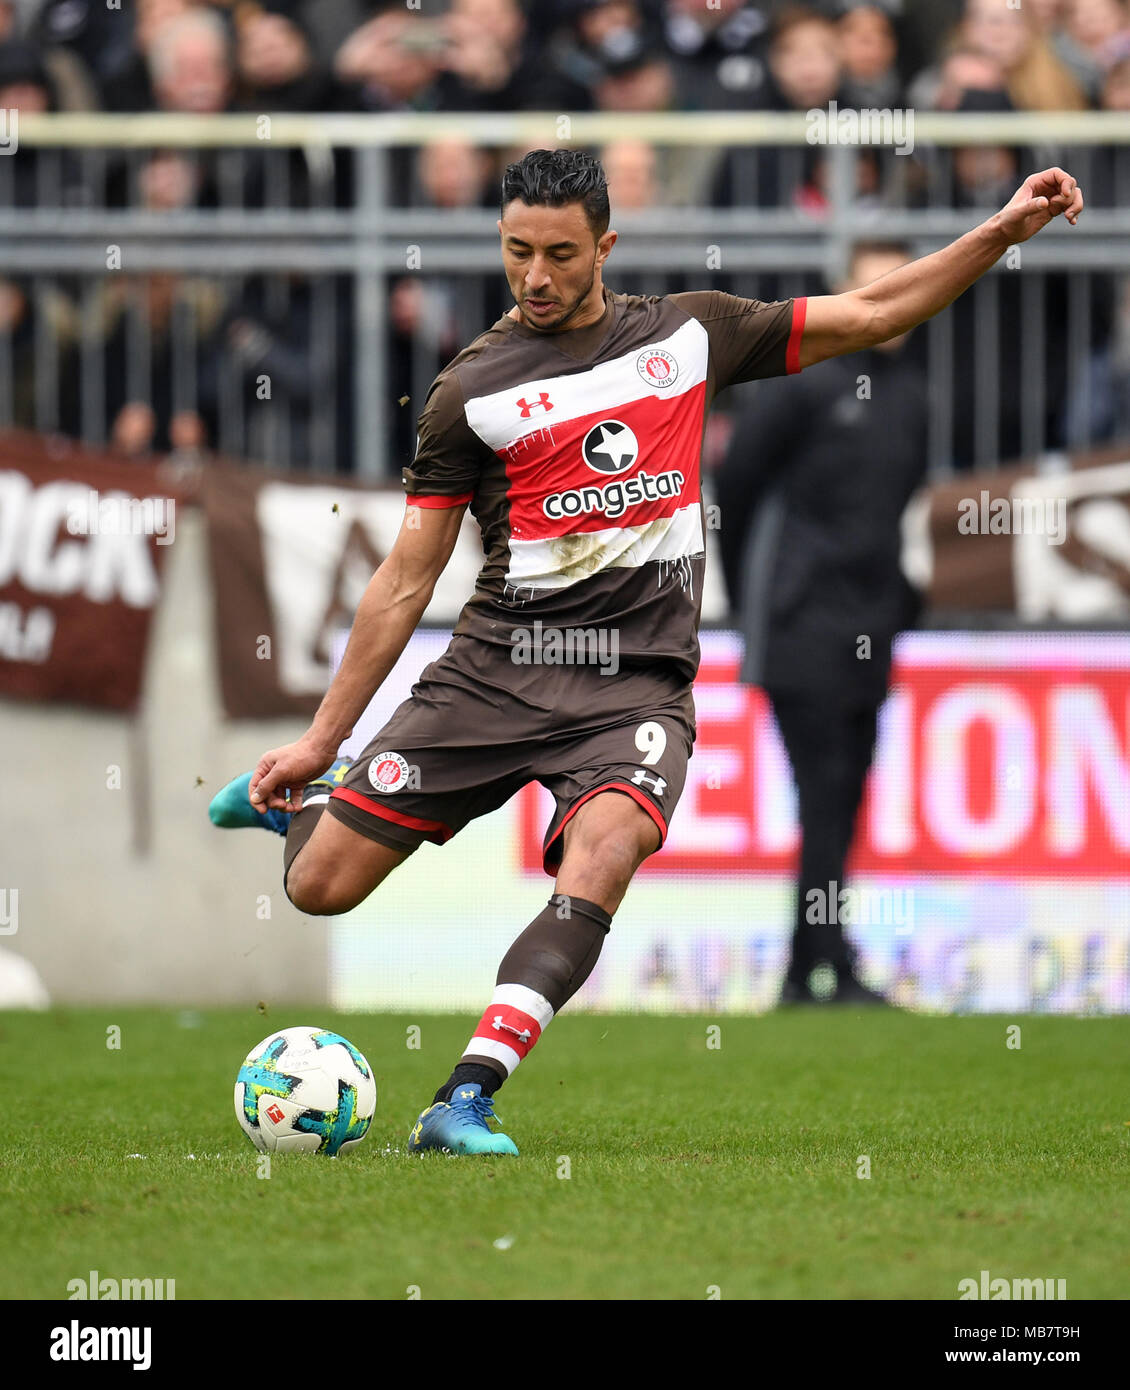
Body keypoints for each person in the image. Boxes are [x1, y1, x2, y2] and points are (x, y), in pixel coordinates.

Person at [209, 147, 1084, 1155]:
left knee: (609, 846)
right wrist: (323, 738)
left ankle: (463, 1098)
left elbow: (872, 314)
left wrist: (997, 232)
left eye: (558, 254)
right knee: (321, 886)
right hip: (494, 667)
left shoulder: (686, 333)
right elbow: (406, 576)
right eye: (515, 251)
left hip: (631, 691)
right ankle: (296, 813)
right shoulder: (469, 394)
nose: (534, 275)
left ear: (604, 247)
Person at [715, 242, 928, 1007]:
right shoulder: (799, 382)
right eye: (872, 283)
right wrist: (755, 601)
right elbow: (734, 488)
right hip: (801, 620)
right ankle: (820, 966)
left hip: (870, 623)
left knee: (844, 795)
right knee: (826, 786)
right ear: (840, 291)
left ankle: (816, 966)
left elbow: (899, 510)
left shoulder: (913, 393)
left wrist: (901, 599)